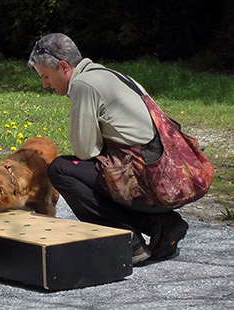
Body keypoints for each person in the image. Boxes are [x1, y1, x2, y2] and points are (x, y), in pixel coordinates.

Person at [28, 33, 190, 265]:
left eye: (45, 76)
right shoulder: (109, 74)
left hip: (149, 184)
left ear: (63, 66)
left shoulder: (83, 85)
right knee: (94, 168)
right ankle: (161, 224)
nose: (45, 84)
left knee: (62, 169)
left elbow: (85, 151)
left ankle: (129, 242)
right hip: (170, 176)